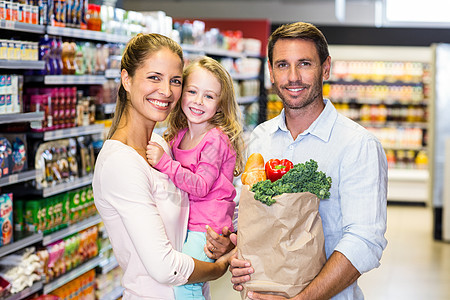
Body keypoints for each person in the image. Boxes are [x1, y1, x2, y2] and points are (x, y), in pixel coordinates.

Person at [229, 21, 388, 299]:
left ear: (325, 68)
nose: (293, 77)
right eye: (282, 65)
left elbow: (364, 241)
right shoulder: (259, 138)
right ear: (270, 70)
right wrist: (233, 254)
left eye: (304, 64)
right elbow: (245, 218)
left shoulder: (358, 145)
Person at [92, 33, 234, 300]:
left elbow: (203, 200)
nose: (167, 91)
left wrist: (221, 238)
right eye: (154, 77)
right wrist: (219, 268)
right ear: (126, 79)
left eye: (176, 81)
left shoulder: (162, 146)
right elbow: (164, 267)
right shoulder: (120, 163)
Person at [146, 56, 245, 299]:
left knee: (185, 284)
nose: (198, 101)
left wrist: (164, 162)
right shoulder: (180, 135)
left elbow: (200, 186)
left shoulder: (215, 140)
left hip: (206, 227)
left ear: (221, 104)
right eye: (192, 91)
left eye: (209, 96)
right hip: (188, 222)